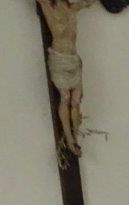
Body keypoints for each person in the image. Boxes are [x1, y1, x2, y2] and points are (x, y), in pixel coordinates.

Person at [35, 0, 95, 156]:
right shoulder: (49, 7)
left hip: (73, 60)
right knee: (65, 97)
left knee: (76, 100)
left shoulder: (71, 8)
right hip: (60, 60)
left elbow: (88, 3)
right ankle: (69, 140)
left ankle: (75, 136)